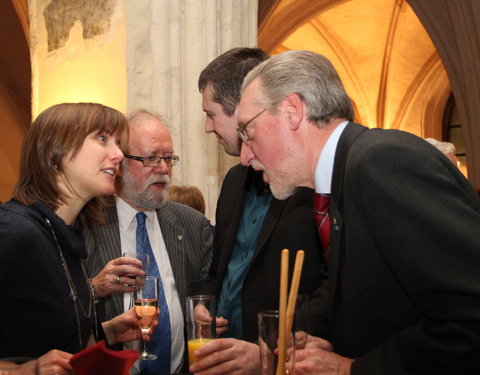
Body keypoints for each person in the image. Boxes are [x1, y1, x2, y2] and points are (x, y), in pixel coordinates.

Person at [237, 49, 480, 374]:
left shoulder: (381, 163)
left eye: (248, 132)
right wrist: (333, 342)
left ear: (292, 111)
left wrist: (352, 368)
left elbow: (471, 316)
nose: (244, 156)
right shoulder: (339, 183)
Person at [191, 47, 325, 374]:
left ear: (242, 109)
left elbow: (331, 285)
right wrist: (206, 304)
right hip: (224, 357)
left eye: (211, 114)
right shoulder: (235, 179)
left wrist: (270, 352)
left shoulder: (308, 180)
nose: (208, 128)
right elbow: (221, 267)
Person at [0, 103, 157, 374]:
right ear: (54, 151)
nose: (119, 154)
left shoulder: (64, 236)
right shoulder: (12, 230)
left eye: (117, 143)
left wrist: (107, 331)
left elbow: (41, 332)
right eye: (101, 138)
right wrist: (24, 371)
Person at [82, 108, 213, 374]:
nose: (163, 169)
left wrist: (207, 313)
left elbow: (207, 295)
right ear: (118, 163)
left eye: (168, 158)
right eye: (151, 158)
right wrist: (94, 287)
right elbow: (58, 309)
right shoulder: (86, 222)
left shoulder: (192, 224)